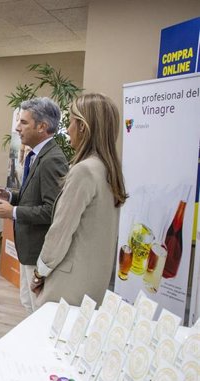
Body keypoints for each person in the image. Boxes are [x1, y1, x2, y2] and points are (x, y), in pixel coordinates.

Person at [30, 93, 128, 307]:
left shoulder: (83, 171)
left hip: (69, 284)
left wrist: (40, 272)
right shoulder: (109, 169)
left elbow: (61, 231)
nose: (68, 129)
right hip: (95, 281)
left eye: (71, 122)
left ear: (83, 126)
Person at [0, 97, 68, 312]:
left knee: (37, 309)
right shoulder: (37, 155)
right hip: (28, 249)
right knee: (28, 304)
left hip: (38, 250)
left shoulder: (52, 159)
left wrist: (13, 211)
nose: (17, 128)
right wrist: (11, 197)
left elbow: (52, 210)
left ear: (42, 127)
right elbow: (34, 196)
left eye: (23, 122)